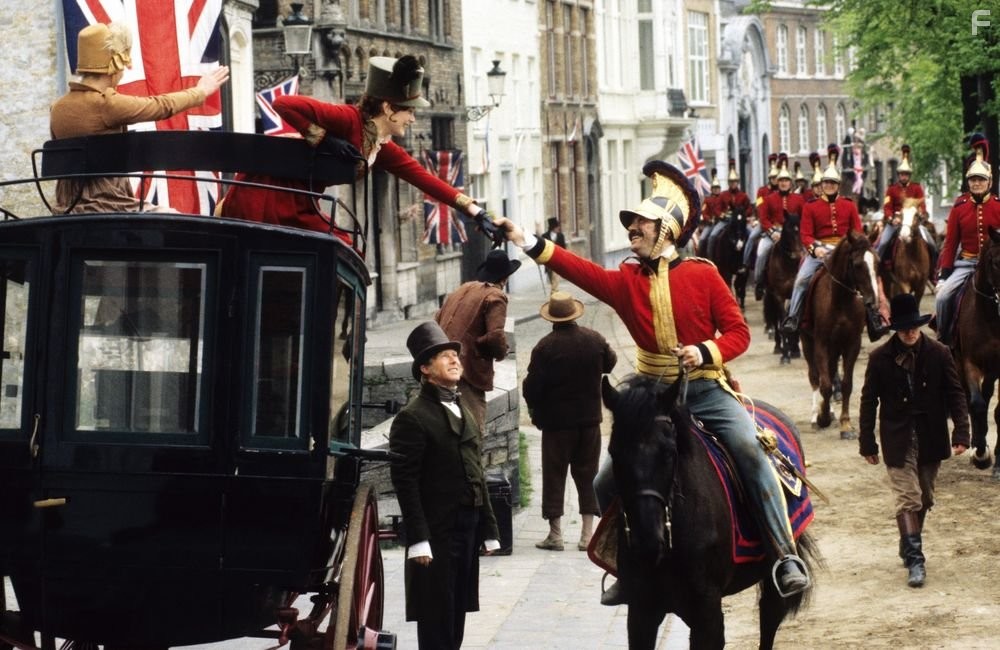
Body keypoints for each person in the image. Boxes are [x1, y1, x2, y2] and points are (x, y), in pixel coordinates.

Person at [491, 160, 811, 602]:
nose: (632, 229)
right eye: (633, 223)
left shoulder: (704, 274)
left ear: (665, 230)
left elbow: (739, 333)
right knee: (605, 481)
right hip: (650, 396)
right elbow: (577, 267)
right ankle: (630, 563)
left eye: (640, 222)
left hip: (704, 389)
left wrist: (703, 351)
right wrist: (524, 239)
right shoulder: (624, 280)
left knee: (750, 452)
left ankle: (783, 554)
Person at [220, 55, 493, 242]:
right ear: (388, 108)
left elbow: (425, 179)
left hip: (302, 204)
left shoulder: (381, 147)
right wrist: (325, 139)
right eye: (409, 112)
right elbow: (283, 104)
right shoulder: (346, 118)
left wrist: (474, 211)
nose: (413, 119)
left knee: (344, 246)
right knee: (339, 246)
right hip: (268, 195)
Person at [389, 321, 500, 649]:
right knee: (437, 614)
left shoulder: (462, 405)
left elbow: (476, 471)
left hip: (467, 523)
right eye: (444, 356)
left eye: (456, 355)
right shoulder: (413, 416)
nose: (455, 360)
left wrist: (489, 528)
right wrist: (418, 539)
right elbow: (405, 482)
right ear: (425, 369)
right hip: (437, 530)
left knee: (457, 611)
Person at [49, 22, 230, 214]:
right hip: (107, 204)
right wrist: (200, 91)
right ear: (114, 66)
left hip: (65, 205)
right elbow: (160, 106)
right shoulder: (107, 104)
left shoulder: (57, 108)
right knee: (174, 219)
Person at [858, 293, 970, 588]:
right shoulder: (879, 358)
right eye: (904, 327)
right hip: (897, 437)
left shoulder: (939, 352)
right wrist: (867, 442)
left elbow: (956, 394)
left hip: (931, 434)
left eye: (914, 326)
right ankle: (916, 560)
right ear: (896, 328)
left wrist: (961, 432)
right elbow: (869, 402)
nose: (910, 332)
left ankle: (908, 540)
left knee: (926, 497)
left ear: (920, 326)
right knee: (908, 497)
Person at [523, 291, 617, 552]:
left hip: (556, 425)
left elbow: (532, 387)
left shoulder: (545, 347)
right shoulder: (594, 339)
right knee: (588, 475)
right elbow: (610, 362)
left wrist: (535, 406)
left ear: (552, 318)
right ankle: (587, 536)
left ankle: (555, 535)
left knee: (554, 476)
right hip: (589, 422)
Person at [781, 145, 889, 341]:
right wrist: (816, 249)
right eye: (826, 183)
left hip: (846, 250)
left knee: (865, 277)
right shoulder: (811, 206)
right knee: (802, 280)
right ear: (821, 185)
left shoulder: (848, 205)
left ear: (838, 185)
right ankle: (793, 317)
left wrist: (856, 245)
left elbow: (856, 230)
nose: (829, 186)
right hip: (820, 250)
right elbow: (805, 235)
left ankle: (874, 318)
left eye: (833, 183)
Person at [434, 250, 520, 431]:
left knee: (441, 426)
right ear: (504, 278)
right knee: (472, 428)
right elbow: (496, 336)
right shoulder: (495, 296)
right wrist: (501, 351)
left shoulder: (462, 289)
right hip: (465, 371)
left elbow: (437, 318)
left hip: (437, 363)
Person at [934, 137, 1000, 345]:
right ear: (968, 182)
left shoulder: (999, 206)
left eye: (981, 179)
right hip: (967, 263)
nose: (977, 183)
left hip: (995, 265)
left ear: (989, 182)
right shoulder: (959, 207)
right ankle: (944, 340)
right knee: (942, 297)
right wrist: (944, 275)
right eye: (973, 180)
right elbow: (951, 243)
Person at [754, 156, 805, 300]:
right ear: (777, 182)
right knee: (762, 253)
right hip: (775, 233)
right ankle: (759, 283)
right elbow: (763, 218)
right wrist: (772, 232)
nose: (783, 183)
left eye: (786, 181)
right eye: (781, 181)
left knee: (807, 254)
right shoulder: (769, 198)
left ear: (790, 183)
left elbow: (804, 218)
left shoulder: (799, 199)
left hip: (794, 235)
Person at [876, 145, 937, 265]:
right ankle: (879, 268)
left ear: (909, 176)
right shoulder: (892, 189)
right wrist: (891, 219)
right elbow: (887, 207)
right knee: (882, 244)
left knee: (931, 244)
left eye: (906, 174)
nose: (903, 176)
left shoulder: (916, 188)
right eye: (901, 174)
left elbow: (922, 205)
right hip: (896, 222)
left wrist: (920, 214)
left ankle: (934, 270)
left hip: (912, 222)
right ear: (898, 175)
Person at [739, 153, 780, 275]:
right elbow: (759, 206)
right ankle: (746, 263)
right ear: (769, 179)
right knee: (752, 237)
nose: (775, 181)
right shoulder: (762, 191)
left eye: (776, 178)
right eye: (773, 178)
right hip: (764, 222)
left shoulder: (781, 191)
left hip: (778, 224)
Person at [705, 159, 751, 260]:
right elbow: (717, 209)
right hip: (726, 221)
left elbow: (749, 208)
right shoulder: (723, 195)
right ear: (728, 183)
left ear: (738, 182)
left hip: (739, 222)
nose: (733, 184)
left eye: (734, 182)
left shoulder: (743, 196)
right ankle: (711, 259)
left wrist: (744, 216)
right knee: (713, 236)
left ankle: (748, 260)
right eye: (731, 182)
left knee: (750, 235)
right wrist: (722, 215)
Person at [543, 217, 568, 291]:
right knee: (551, 277)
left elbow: (563, 248)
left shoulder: (561, 236)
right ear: (553, 227)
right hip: (548, 259)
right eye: (557, 227)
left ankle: (554, 292)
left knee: (555, 276)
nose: (558, 228)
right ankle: (554, 290)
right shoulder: (545, 236)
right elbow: (542, 247)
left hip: (557, 259)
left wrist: (564, 258)